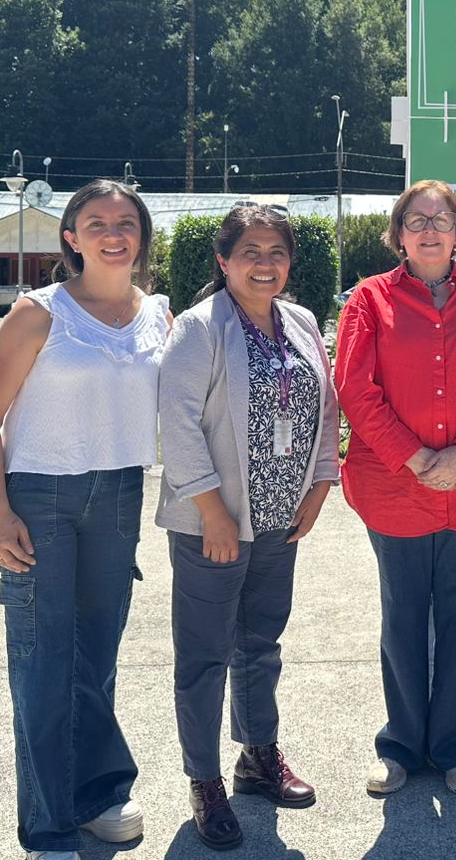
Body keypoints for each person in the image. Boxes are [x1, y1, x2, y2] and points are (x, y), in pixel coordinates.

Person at [0, 179, 168, 860]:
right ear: (71, 237)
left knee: (97, 656)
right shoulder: (38, 313)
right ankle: (49, 827)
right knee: (43, 662)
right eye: (96, 222)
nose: (113, 234)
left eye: (126, 222)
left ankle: (100, 794)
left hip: (119, 493)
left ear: (141, 236)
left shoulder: (158, 316)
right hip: (40, 496)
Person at [155, 205, 339, 849]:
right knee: (205, 655)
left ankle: (258, 756)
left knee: (261, 644)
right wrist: (212, 512)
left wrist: (320, 485)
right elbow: (176, 425)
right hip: (214, 524)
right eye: (250, 252)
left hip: (280, 520)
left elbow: (325, 409)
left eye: (277, 252)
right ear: (224, 261)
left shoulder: (302, 321)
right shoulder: (200, 328)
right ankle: (204, 781)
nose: (265, 264)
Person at [334, 180, 456, 798]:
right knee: (403, 619)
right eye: (416, 220)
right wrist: (414, 457)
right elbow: (355, 388)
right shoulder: (369, 300)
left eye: (442, 220)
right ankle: (402, 746)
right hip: (395, 486)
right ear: (399, 235)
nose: (430, 229)